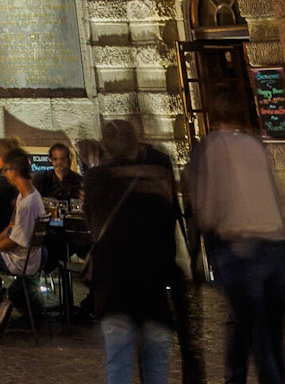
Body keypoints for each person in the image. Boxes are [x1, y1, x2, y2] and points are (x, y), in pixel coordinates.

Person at [187, 94, 285, 384]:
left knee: (259, 338)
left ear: (210, 118)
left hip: (241, 250)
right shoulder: (255, 144)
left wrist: (196, 253)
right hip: (276, 245)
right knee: (269, 334)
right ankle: (236, 378)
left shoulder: (208, 149)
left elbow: (206, 211)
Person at [85, 116, 180, 384]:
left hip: (114, 287)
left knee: (119, 364)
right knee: (157, 363)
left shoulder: (96, 179)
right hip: (152, 287)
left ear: (106, 146)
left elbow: (92, 228)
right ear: (137, 144)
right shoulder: (157, 176)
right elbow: (168, 230)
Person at [0, 151, 45, 333]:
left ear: (14, 171)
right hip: (29, 256)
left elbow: (13, 241)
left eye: (7, 170)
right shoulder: (27, 195)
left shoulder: (28, 204)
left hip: (19, 260)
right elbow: (10, 228)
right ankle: (4, 300)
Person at [45, 139, 84, 204]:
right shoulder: (42, 180)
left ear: (70, 159)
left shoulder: (80, 181)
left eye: (63, 159)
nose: (59, 162)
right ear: (51, 161)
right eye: (55, 159)